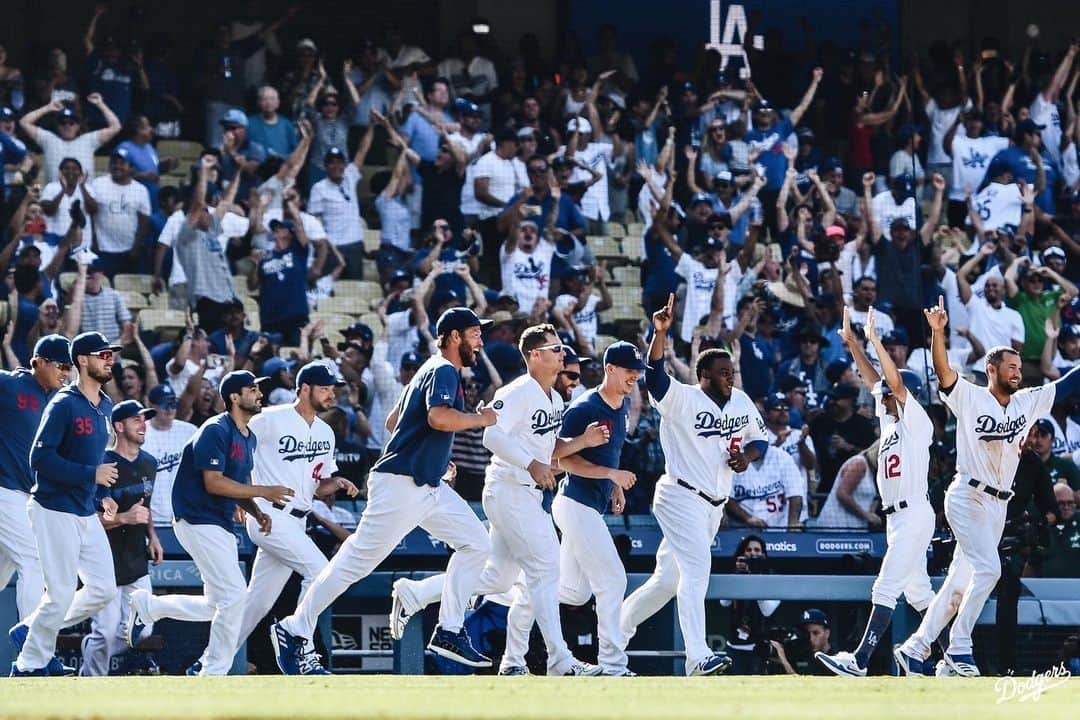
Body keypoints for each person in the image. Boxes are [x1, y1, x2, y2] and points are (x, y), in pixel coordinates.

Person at [270, 308, 497, 673]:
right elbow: (438, 418)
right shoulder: (442, 370)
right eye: (474, 333)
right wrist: (479, 419)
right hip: (401, 486)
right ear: (455, 336)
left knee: (477, 544)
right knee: (354, 563)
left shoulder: (431, 369)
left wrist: (435, 458)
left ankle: (450, 628)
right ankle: (294, 628)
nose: (480, 340)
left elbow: (395, 421)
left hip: (427, 484)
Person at [389, 324, 608, 676]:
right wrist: (531, 463)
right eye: (554, 349)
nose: (561, 353)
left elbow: (548, 452)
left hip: (524, 492)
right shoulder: (519, 390)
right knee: (547, 567)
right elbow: (491, 436)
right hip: (508, 488)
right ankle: (560, 660)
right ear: (534, 356)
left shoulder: (552, 399)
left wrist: (582, 441)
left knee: (498, 579)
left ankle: (416, 593)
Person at [894, 297, 1080, 677]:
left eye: (1018, 367)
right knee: (990, 569)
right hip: (967, 495)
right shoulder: (970, 396)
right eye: (1010, 367)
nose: (1017, 372)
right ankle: (959, 649)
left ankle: (915, 648)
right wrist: (938, 332)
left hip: (998, 504)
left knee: (960, 582)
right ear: (991, 369)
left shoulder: (1026, 401)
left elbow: (1066, 385)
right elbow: (943, 369)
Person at [621, 294, 767, 676]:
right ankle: (698, 656)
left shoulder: (740, 401)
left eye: (731, 371)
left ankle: (614, 631)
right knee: (697, 570)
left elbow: (760, 440)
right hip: (680, 495)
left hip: (714, 504)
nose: (729, 377)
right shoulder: (682, 399)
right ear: (703, 376)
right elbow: (653, 375)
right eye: (722, 372)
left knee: (667, 581)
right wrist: (660, 333)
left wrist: (746, 458)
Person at [126, 371, 292, 676]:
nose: (259, 393)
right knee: (235, 597)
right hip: (196, 518)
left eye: (258, 389)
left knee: (217, 604)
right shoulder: (215, 429)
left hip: (219, 523)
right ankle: (213, 673)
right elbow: (214, 483)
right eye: (252, 388)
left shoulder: (249, 436)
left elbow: (236, 481)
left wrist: (256, 511)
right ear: (233, 397)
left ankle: (150, 607)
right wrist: (264, 492)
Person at [815, 308, 935, 677]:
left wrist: (875, 339)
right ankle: (957, 656)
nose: (880, 397)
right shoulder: (891, 417)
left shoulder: (916, 418)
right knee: (920, 595)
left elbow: (893, 384)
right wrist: (853, 344)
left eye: (889, 393)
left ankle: (859, 660)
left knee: (885, 589)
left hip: (913, 512)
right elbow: (875, 381)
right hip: (897, 516)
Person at [233, 362, 359, 666]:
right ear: (304, 389)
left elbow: (316, 487)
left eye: (333, 389)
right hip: (267, 514)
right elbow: (233, 439)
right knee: (320, 571)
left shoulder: (326, 432)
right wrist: (239, 491)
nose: (331, 394)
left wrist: (337, 483)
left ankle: (212, 661)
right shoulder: (271, 418)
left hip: (297, 518)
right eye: (324, 388)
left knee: (256, 603)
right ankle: (299, 645)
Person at [10, 332, 121, 676]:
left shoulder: (104, 405)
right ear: (83, 361)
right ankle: (29, 665)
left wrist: (103, 495)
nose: (110, 360)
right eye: (103, 354)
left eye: (112, 355)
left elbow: (94, 462)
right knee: (58, 594)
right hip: (52, 508)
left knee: (103, 589)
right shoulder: (63, 403)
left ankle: (32, 627)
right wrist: (92, 475)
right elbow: (39, 460)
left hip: (85, 509)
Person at [551, 340, 642, 676]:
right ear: (610, 369)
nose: (635, 375)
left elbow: (611, 453)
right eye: (629, 370)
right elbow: (557, 457)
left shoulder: (622, 403)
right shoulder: (585, 407)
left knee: (573, 592)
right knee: (613, 581)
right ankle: (613, 666)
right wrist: (610, 474)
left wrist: (614, 485)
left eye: (637, 370)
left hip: (588, 504)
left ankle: (519, 587)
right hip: (575, 503)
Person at [80, 400, 162, 676]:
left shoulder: (150, 462)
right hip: (104, 560)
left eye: (145, 419)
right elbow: (88, 521)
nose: (143, 425)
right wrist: (123, 518)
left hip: (136, 556)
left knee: (143, 628)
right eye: (136, 419)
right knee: (104, 630)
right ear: (119, 426)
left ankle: (91, 651)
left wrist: (153, 536)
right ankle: (91, 683)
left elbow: (144, 506)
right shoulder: (101, 464)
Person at [0, 335, 70, 621]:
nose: (65, 372)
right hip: (5, 490)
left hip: (30, 499)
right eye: (60, 365)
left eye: (69, 366)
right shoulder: (9, 384)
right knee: (34, 560)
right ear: (38, 362)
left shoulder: (62, 399)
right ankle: (32, 651)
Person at [18, 96, 121, 184]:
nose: (67, 126)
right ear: (58, 126)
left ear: (78, 126)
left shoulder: (89, 140)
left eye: (72, 123)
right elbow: (24, 122)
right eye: (63, 122)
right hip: (54, 198)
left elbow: (116, 127)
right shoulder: (49, 139)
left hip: (83, 198)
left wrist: (100, 104)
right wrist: (47, 108)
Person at [84, 146, 152, 278]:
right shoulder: (98, 184)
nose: (117, 166)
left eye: (122, 163)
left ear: (131, 167)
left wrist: (136, 247)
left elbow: (144, 222)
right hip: (103, 250)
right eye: (114, 162)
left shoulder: (141, 190)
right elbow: (90, 214)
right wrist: (93, 241)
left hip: (129, 251)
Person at [142, 383, 196, 526]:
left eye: (173, 404)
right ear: (151, 405)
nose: (170, 409)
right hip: (151, 518)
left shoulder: (190, 432)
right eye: (164, 405)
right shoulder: (141, 432)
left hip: (182, 516)